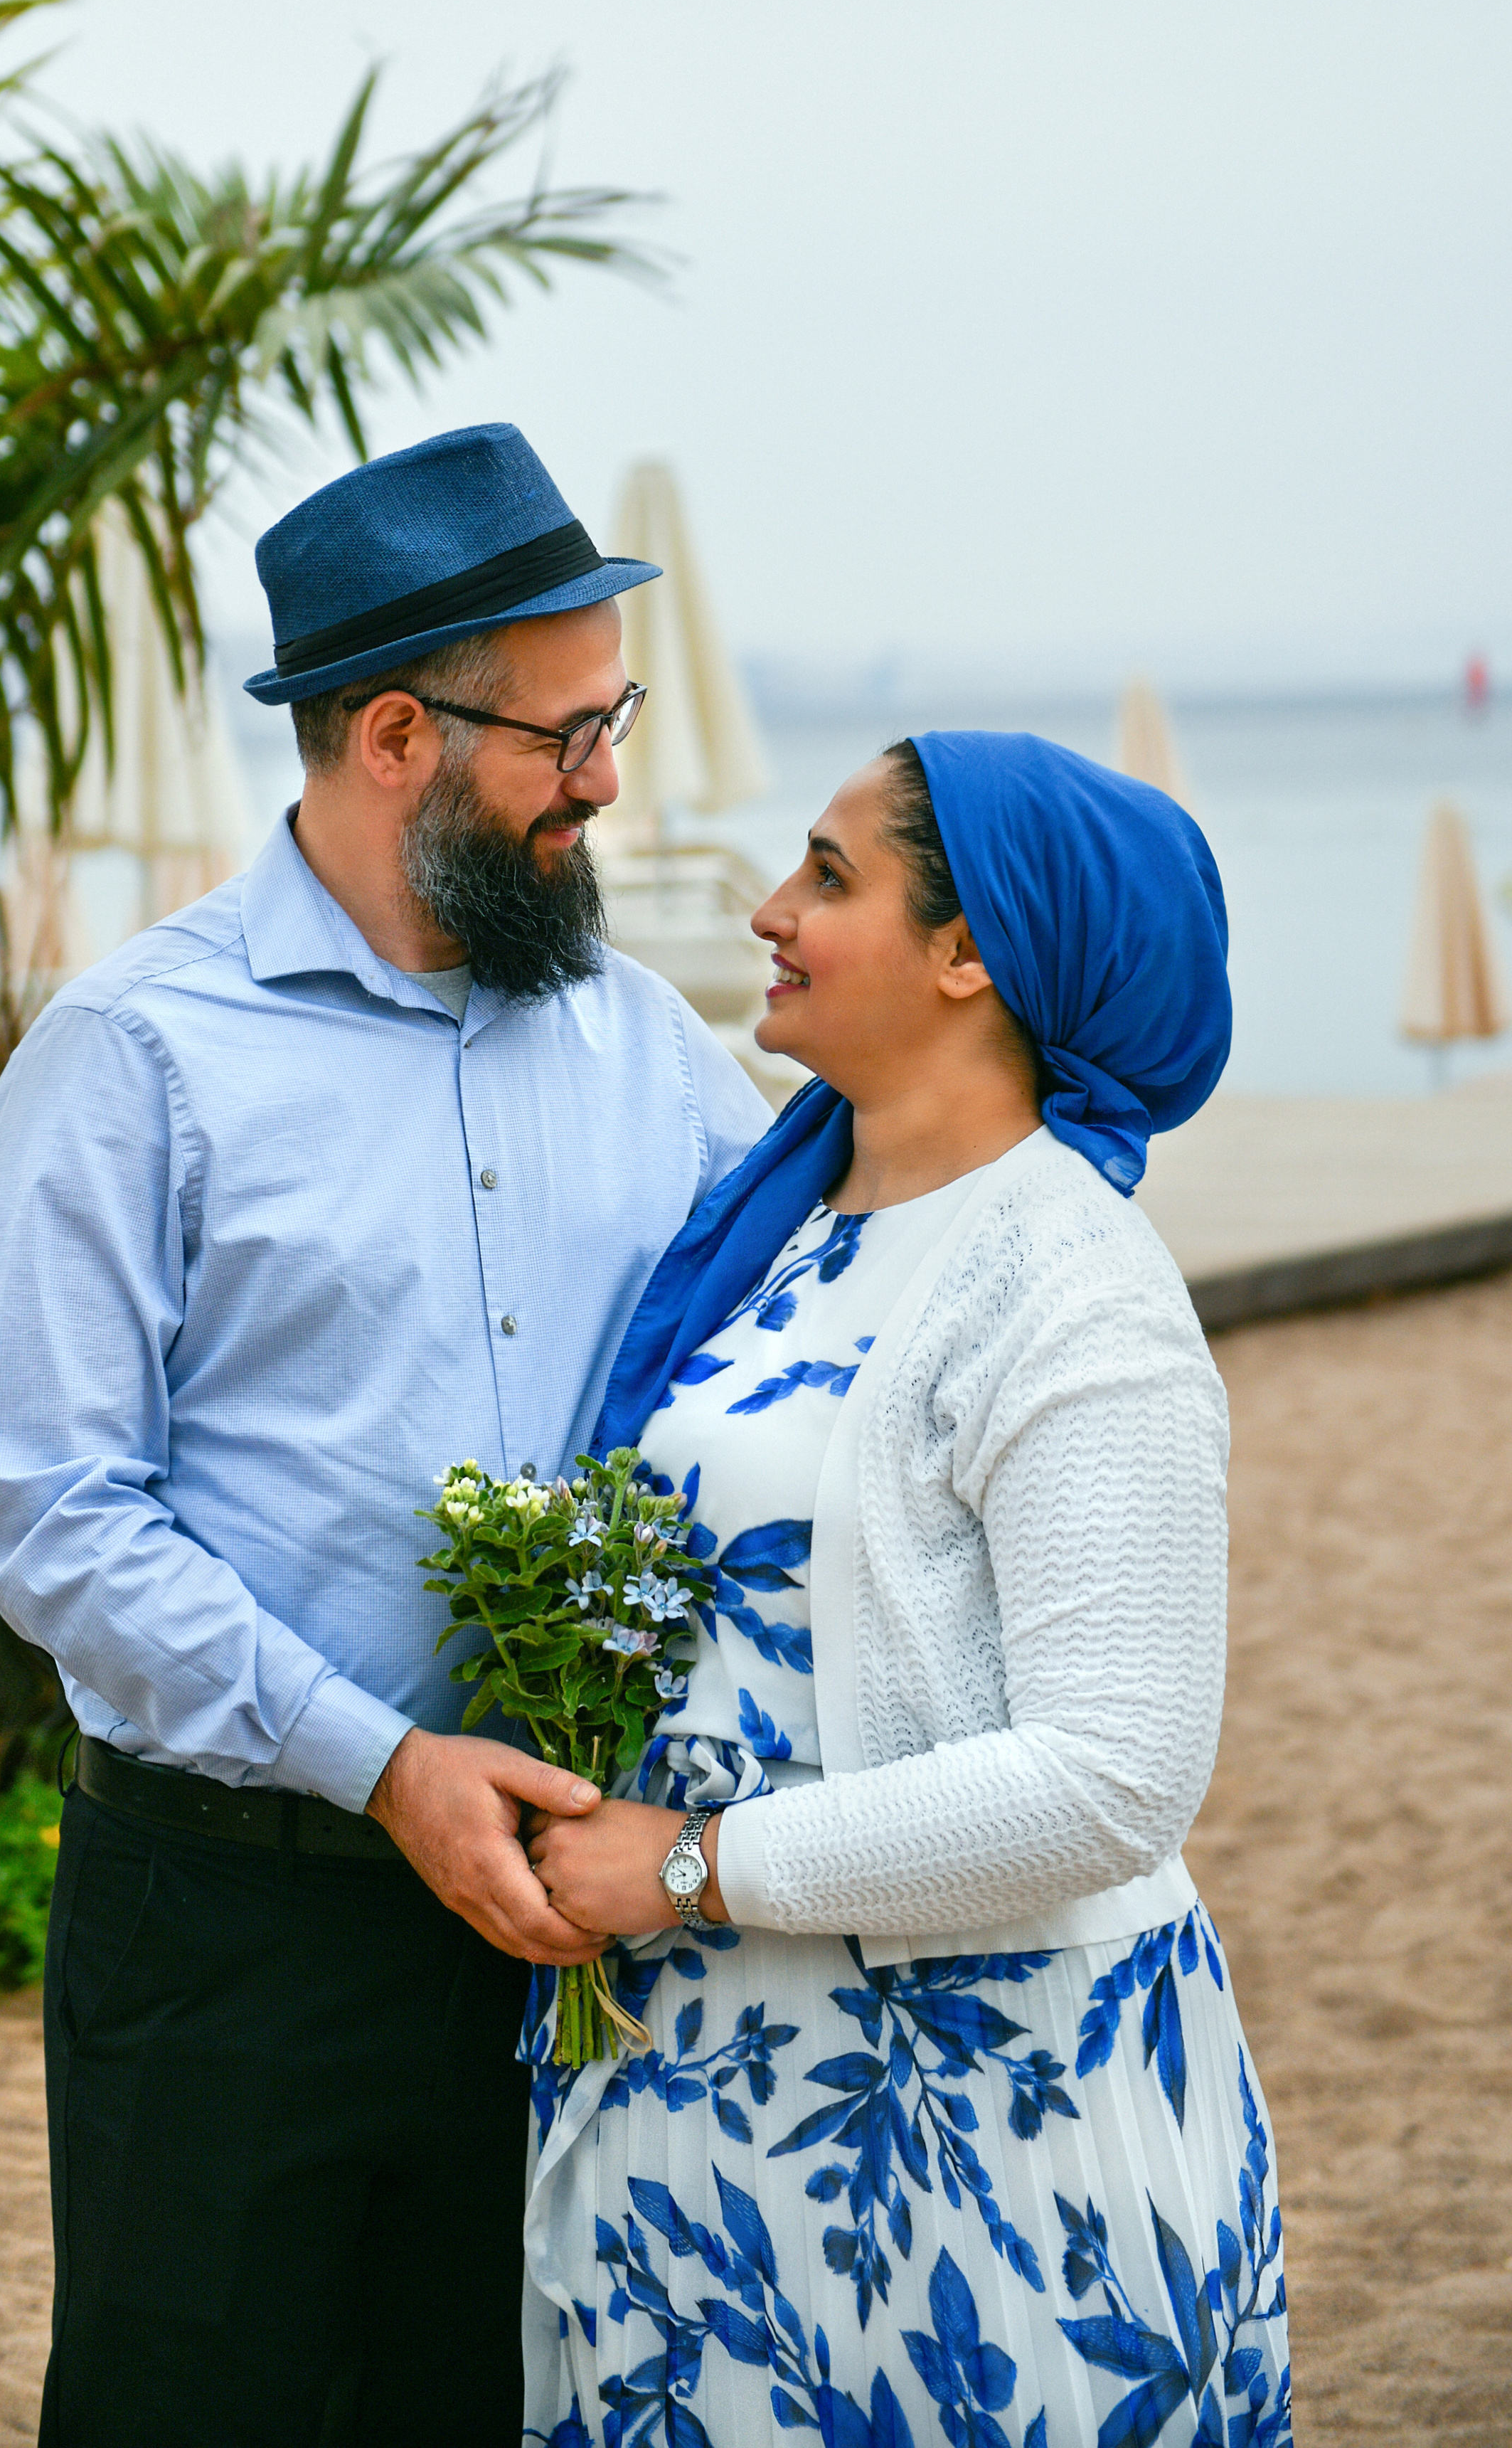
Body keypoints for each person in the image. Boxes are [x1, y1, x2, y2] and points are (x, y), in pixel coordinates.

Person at [0, 423, 772, 2448]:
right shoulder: (131, 1058)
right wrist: (386, 1766)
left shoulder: (652, 1050)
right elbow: (53, 1516)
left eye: (615, 720)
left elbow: (797, 1356)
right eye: (568, 737)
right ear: (396, 735)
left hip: (563, 1938)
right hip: (228, 1926)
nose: (607, 781)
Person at [522, 732, 1292, 2448]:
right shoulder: (780, 1226)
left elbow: (1113, 1776)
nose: (765, 910)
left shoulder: (1073, 1286)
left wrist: (690, 1865)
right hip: (706, 2073)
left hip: (969, 2107)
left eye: (826, 875)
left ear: (967, 954)